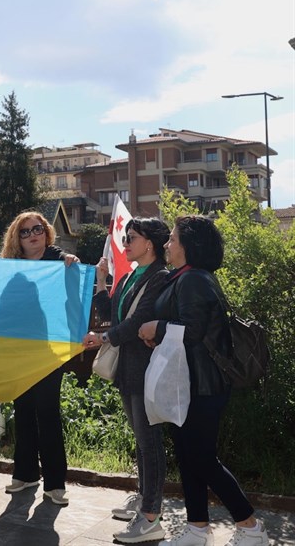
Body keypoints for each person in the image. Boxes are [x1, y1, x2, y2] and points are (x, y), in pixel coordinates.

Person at [138, 216, 269, 546]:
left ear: (189, 246)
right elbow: (187, 327)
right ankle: (197, 529)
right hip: (188, 383)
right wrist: (159, 333)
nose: (166, 244)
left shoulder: (194, 279)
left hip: (203, 386)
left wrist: (157, 328)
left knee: (201, 459)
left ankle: (251, 528)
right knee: (188, 457)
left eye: (172, 239)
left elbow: (193, 331)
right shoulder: (186, 277)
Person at [83, 218, 170, 543]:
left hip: (145, 368)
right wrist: (102, 281)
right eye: (124, 237)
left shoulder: (159, 276)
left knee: (150, 443)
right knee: (141, 441)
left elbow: (139, 321)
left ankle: (150, 516)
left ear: (149, 243)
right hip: (128, 369)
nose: (125, 243)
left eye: (131, 238)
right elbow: (112, 315)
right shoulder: (131, 274)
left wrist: (103, 339)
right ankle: (145, 500)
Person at [1, 211, 78, 505]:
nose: (33, 235)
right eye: (25, 231)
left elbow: (72, 289)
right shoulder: (10, 269)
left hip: (48, 350)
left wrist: (71, 263)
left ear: (46, 232)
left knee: (47, 413)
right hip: (18, 350)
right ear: (16, 239)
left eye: (38, 229)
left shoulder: (60, 262)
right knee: (22, 411)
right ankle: (26, 473)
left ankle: (55, 483)